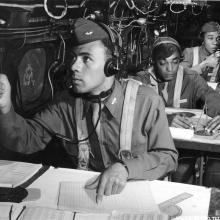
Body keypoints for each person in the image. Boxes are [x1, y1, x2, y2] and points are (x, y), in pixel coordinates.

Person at [0, 18, 178, 202]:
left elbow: (168, 157)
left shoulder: (146, 101)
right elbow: (27, 140)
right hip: (87, 197)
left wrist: (125, 168)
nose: (74, 67)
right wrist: (6, 108)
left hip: (135, 197)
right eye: (73, 58)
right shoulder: (65, 104)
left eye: (86, 58)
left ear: (111, 65)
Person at [134, 36, 220, 185]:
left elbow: (212, 98)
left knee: (182, 173)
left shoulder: (191, 78)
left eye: (174, 62)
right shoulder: (143, 81)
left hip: (183, 148)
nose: (170, 68)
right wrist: (165, 120)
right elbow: (133, 113)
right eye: (163, 63)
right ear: (153, 62)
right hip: (151, 147)